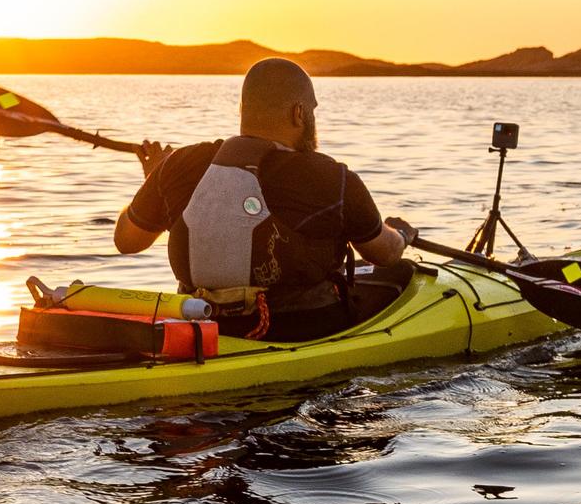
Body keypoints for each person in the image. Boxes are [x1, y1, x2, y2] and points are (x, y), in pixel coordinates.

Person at [113, 57, 410, 338]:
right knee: (400, 275)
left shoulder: (177, 164)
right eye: (313, 111)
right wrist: (403, 235)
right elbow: (383, 253)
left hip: (203, 329)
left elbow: (126, 241)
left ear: (243, 110)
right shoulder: (334, 178)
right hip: (303, 329)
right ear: (299, 113)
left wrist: (154, 179)